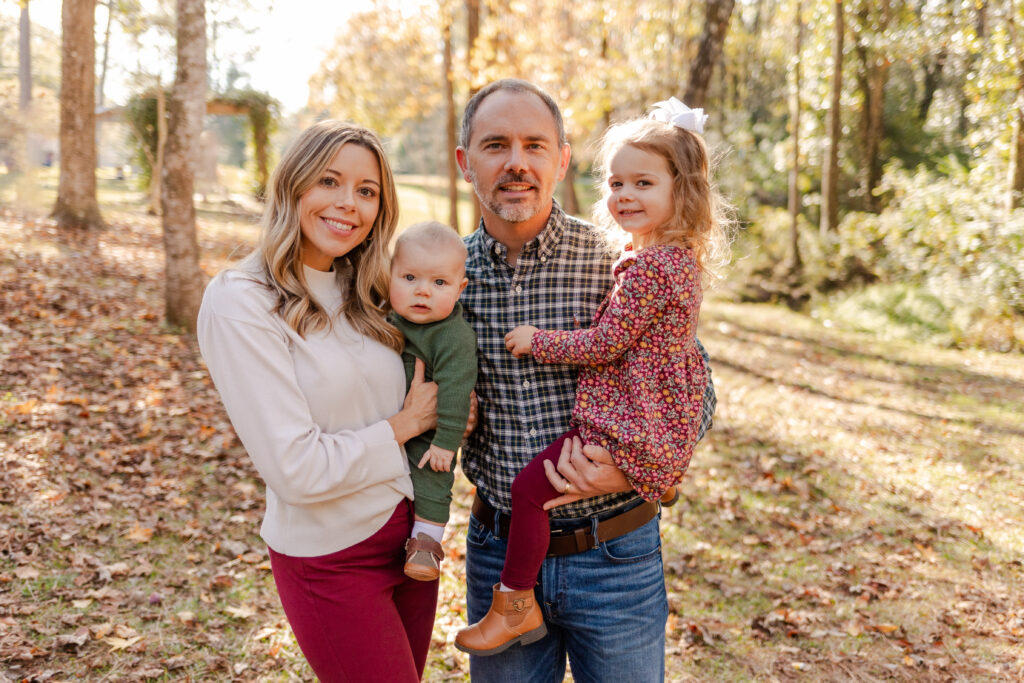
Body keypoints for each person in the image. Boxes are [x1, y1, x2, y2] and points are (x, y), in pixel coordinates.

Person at [454, 78, 722, 682]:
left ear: (562, 159)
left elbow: (692, 390)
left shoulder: (618, 257)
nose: (517, 162)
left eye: (535, 145)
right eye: (496, 144)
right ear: (465, 163)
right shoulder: (441, 277)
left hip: (615, 554)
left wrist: (640, 468)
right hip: (501, 552)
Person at [197, 120, 440, 682]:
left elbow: (406, 399)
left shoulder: (373, 291)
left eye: (366, 190)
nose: (347, 204)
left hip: (410, 544)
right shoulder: (242, 301)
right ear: (294, 185)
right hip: (330, 558)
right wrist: (403, 426)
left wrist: (446, 417)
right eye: (329, 181)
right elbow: (295, 470)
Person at [387, 221, 478, 582]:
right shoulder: (388, 317)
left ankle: (426, 543)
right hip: (387, 424)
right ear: (390, 276)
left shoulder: (452, 335)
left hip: (431, 434)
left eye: (438, 283)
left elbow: (456, 390)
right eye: (410, 278)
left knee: (432, 478)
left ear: (460, 288)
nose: (422, 292)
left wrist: (445, 442)